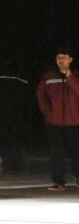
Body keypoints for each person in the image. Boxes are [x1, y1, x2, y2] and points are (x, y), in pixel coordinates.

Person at [36, 48, 79, 190]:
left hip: (74, 122)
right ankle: (59, 181)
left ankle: (77, 176)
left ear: (70, 59)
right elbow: (41, 95)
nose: (61, 60)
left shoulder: (76, 75)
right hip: (53, 122)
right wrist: (48, 112)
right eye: (58, 57)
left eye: (64, 57)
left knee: (76, 151)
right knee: (56, 152)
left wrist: (69, 77)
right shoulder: (49, 76)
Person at [0, 60, 31, 173]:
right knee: (15, 141)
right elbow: (27, 100)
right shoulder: (22, 81)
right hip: (16, 115)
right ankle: (14, 166)